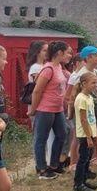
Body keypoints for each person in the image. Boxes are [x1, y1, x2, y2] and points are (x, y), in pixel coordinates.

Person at [28, 41, 72, 180]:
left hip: (57, 109)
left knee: (62, 133)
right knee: (41, 138)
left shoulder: (58, 67)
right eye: (67, 52)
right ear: (59, 53)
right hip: (45, 109)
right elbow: (37, 91)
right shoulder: (48, 69)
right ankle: (42, 168)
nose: (69, 55)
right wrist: (33, 110)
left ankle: (54, 164)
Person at [68, 45, 97, 172]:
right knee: (78, 135)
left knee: (95, 130)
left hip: (92, 105)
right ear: (88, 58)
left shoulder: (96, 72)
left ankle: (93, 157)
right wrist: (72, 111)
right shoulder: (81, 74)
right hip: (82, 107)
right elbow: (72, 93)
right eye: (96, 56)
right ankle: (73, 162)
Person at [73, 71, 97, 191]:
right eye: (93, 83)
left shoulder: (89, 97)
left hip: (90, 132)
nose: (96, 85)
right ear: (84, 84)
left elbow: (91, 118)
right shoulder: (81, 99)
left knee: (88, 158)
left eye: (96, 83)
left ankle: (84, 180)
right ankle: (78, 184)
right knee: (83, 159)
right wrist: (88, 137)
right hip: (84, 134)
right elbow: (83, 120)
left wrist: (95, 134)